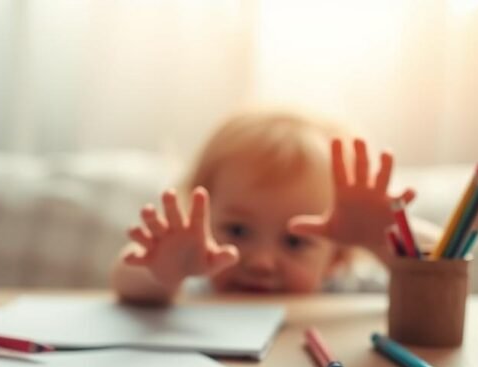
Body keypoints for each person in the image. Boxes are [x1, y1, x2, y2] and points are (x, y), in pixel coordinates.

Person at [111, 110, 439, 305]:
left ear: (336, 257)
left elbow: (442, 267)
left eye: (295, 241)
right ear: (203, 219)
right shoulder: (199, 280)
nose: (261, 263)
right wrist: (167, 269)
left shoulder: (345, 288)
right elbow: (126, 279)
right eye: (237, 231)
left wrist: (381, 239)